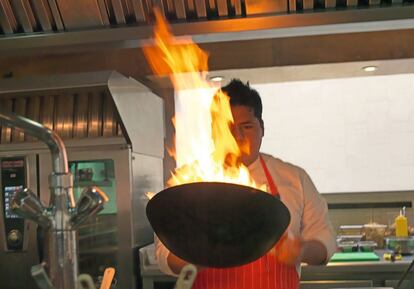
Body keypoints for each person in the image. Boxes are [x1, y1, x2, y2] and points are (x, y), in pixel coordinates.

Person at [155, 79, 336, 289]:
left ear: (262, 128)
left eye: (247, 126)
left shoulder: (294, 178)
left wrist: (300, 250)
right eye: (228, 128)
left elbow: (325, 240)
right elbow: (163, 254)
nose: (238, 136)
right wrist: (196, 257)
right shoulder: (188, 180)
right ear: (215, 132)